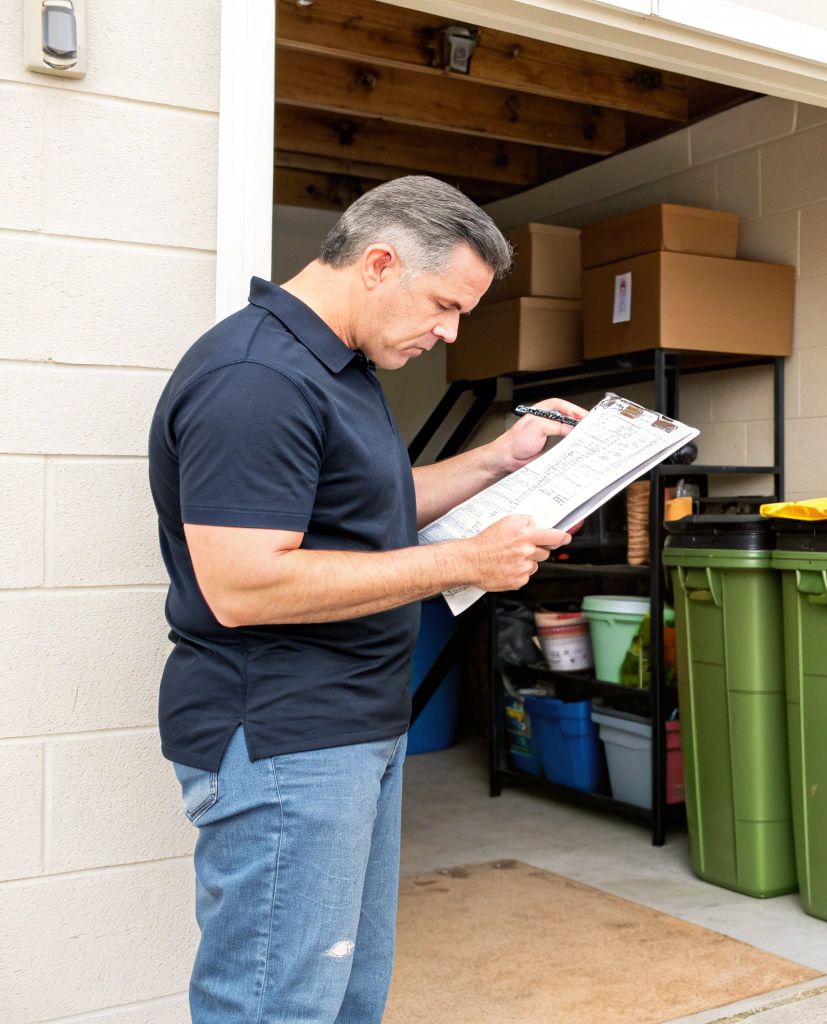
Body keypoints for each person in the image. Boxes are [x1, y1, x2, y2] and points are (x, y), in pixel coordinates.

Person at [148, 176, 585, 1023]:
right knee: (277, 1006)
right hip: (285, 739)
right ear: (380, 263)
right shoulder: (257, 378)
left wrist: (500, 458)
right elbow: (243, 582)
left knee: (345, 997)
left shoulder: (337, 366)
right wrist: (464, 560)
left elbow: (365, 511)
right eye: (445, 305)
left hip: (350, 732)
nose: (449, 332)